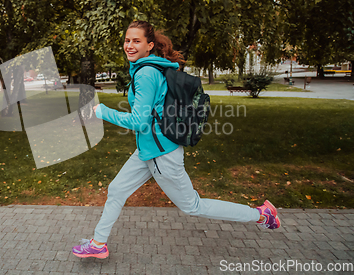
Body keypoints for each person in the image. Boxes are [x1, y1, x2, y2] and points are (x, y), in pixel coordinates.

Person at [72, 21, 280, 259]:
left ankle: (262, 215)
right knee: (117, 189)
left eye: (136, 41)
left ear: (149, 45)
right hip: (149, 150)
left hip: (161, 154)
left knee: (193, 206)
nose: (129, 45)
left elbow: (139, 121)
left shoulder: (146, 73)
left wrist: (101, 111)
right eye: (127, 40)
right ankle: (98, 244)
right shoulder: (148, 68)